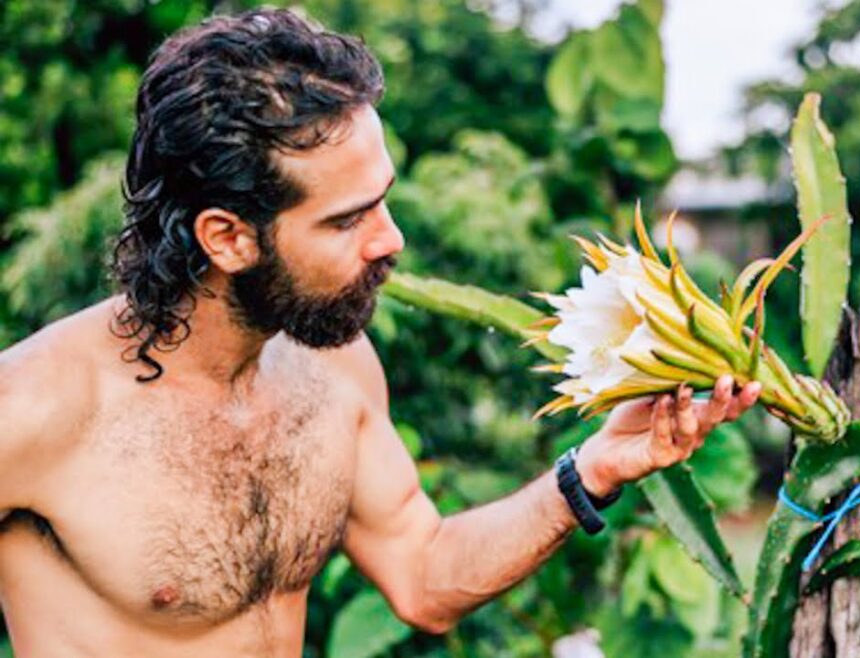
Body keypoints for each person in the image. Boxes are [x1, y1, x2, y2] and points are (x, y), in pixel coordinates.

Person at [0, 9, 761, 657]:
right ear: (228, 237)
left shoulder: (332, 368)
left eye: (382, 201)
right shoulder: (36, 406)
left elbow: (423, 573)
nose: (390, 239)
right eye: (348, 219)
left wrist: (591, 470)